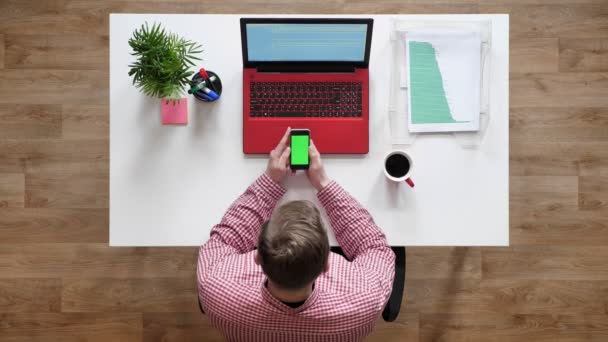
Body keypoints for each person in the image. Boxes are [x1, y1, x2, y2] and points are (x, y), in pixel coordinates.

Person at [197, 128, 395, 341]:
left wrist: (269, 181)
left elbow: (225, 238)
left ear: (257, 257)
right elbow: (373, 246)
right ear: (327, 264)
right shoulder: (365, 299)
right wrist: (324, 184)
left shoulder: (215, 289)